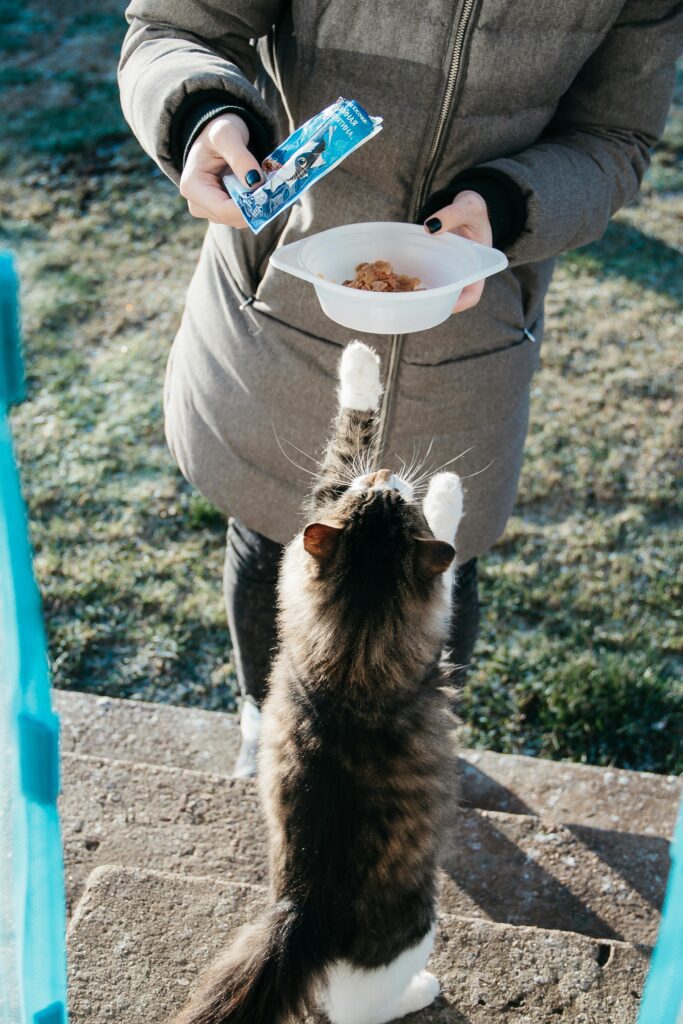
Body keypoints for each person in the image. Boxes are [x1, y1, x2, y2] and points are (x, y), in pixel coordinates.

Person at [118, 1, 682, 775]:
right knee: (271, 521)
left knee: (439, 555)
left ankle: (402, 760)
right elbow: (173, 27)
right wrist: (200, 113)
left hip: (469, 331)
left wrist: (510, 204)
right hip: (281, 298)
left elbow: (615, 138)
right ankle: (267, 720)